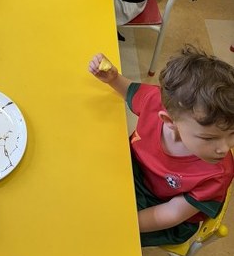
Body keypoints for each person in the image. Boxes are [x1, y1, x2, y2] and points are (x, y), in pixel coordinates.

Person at [88, 47, 234, 246]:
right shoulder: (154, 102)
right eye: (209, 138)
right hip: (133, 172)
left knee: (100, 237)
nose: (224, 148)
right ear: (169, 121)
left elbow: (172, 213)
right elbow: (130, 91)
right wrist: (113, 79)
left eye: (232, 134)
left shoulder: (217, 175)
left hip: (161, 208)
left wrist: (124, 224)